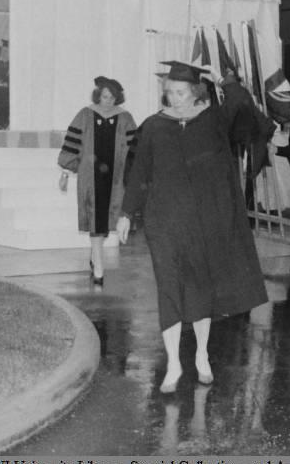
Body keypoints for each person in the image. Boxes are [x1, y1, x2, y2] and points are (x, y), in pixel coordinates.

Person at [115, 61, 268, 394]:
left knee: (200, 287)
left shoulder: (213, 120)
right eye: (170, 92)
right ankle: (173, 362)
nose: (175, 98)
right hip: (164, 220)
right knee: (169, 287)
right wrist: (127, 212)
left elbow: (243, 107)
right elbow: (139, 171)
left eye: (181, 92)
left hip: (204, 221)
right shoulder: (154, 125)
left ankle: (201, 355)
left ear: (196, 91)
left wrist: (224, 80)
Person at [57, 76, 137, 286]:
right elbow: (73, 144)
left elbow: (134, 150)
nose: (108, 101)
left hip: (116, 178)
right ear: (98, 96)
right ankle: (99, 269)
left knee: (106, 220)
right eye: (104, 96)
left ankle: (95, 257)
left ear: (117, 98)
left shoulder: (125, 118)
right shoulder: (85, 115)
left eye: (112, 98)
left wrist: (134, 175)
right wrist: (65, 171)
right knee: (95, 218)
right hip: (90, 177)